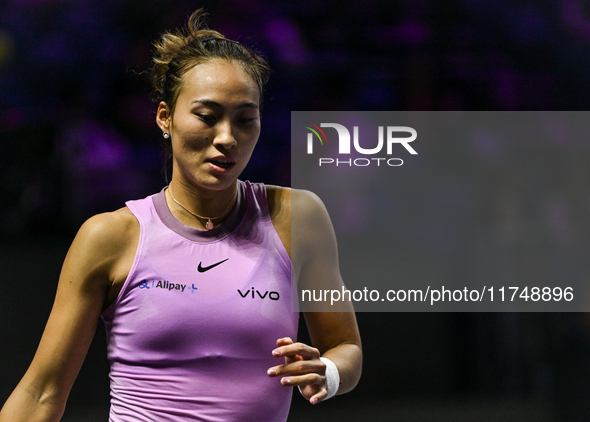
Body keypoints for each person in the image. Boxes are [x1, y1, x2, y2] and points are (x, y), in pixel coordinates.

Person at [0, 9, 362, 422]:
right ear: (164, 117)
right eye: (207, 117)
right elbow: (41, 393)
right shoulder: (110, 237)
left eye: (245, 120)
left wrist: (328, 371)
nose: (227, 138)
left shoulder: (299, 217)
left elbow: (345, 348)